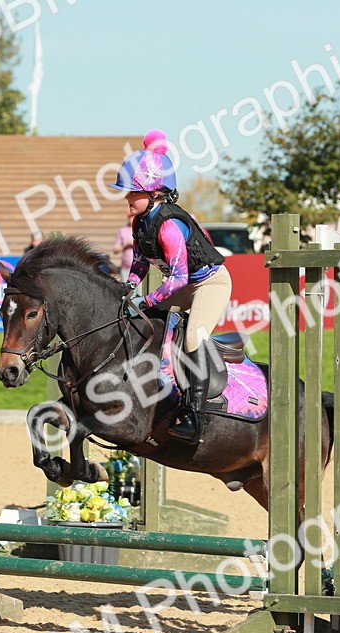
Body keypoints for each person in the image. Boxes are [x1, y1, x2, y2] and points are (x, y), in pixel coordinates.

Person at [109, 129, 232, 443]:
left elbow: (177, 278)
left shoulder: (169, 226)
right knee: (140, 321)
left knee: (193, 337)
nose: (126, 198)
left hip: (209, 285)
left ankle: (197, 413)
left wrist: (148, 297)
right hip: (185, 285)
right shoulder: (140, 223)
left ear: (153, 192)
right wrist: (129, 287)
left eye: (131, 192)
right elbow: (138, 262)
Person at [111, 213, 134, 281]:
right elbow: (115, 250)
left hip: (139, 268)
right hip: (126, 268)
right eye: (130, 216)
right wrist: (125, 245)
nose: (132, 219)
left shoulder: (141, 229)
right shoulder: (123, 231)